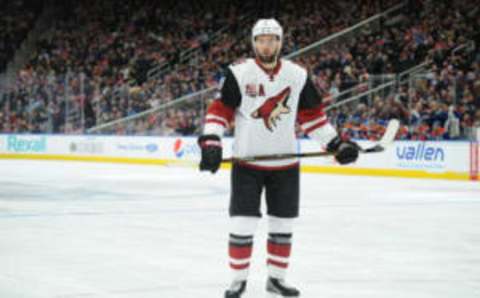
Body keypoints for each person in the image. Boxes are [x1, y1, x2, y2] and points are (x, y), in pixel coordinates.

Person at [197, 19, 359, 298]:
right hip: (246, 164)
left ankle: (276, 279)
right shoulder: (239, 73)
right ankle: (238, 281)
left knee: (282, 224)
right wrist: (211, 142)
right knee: (242, 224)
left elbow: (313, 119)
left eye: (272, 39)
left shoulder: (297, 75)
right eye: (261, 40)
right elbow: (220, 110)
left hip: (285, 167)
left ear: (280, 42)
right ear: (254, 43)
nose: (267, 44)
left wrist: (335, 143)